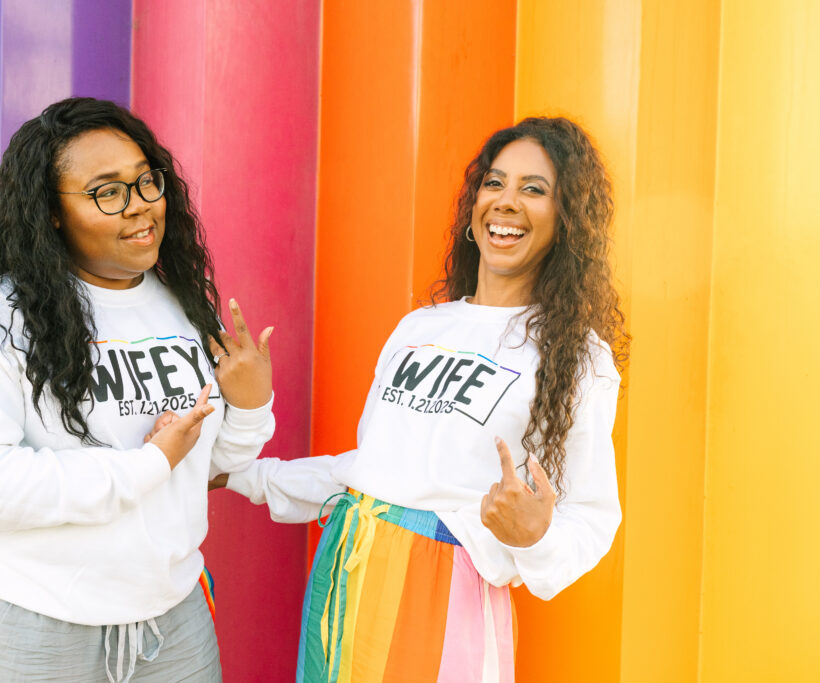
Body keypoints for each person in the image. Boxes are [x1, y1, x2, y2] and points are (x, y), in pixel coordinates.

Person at [213, 117, 628, 682]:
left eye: (534, 190)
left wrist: (535, 538)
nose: (506, 203)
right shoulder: (420, 326)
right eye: (494, 183)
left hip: (444, 593)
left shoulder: (577, 355)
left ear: (567, 221)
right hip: (345, 574)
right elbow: (371, 475)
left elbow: (591, 519)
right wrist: (238, 474)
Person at [0, 97, 275, 683]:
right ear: (50, 214)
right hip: (37, 624)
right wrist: (143, 466)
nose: (140, 208)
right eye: (107, 192)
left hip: (172, 622)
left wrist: (249, 405)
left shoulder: (180, 305)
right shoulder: (2, 317)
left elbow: (201, 470)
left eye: (145, 182)